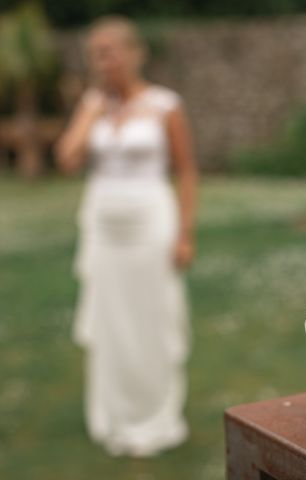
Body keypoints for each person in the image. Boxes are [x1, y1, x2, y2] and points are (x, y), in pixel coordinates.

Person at [55, 15, 198, 456]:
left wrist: (185, 234)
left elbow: (186, 171)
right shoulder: (93, 103)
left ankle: (156, 417)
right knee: (111, 323)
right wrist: (91, 111)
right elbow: (66, 159)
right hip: (104, 231)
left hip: (151, 225)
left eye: (109, 51)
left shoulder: (164, 105)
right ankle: (114, 416)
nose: (102, 61)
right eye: (95, 54)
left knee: (150, 320)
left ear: (134, 53)